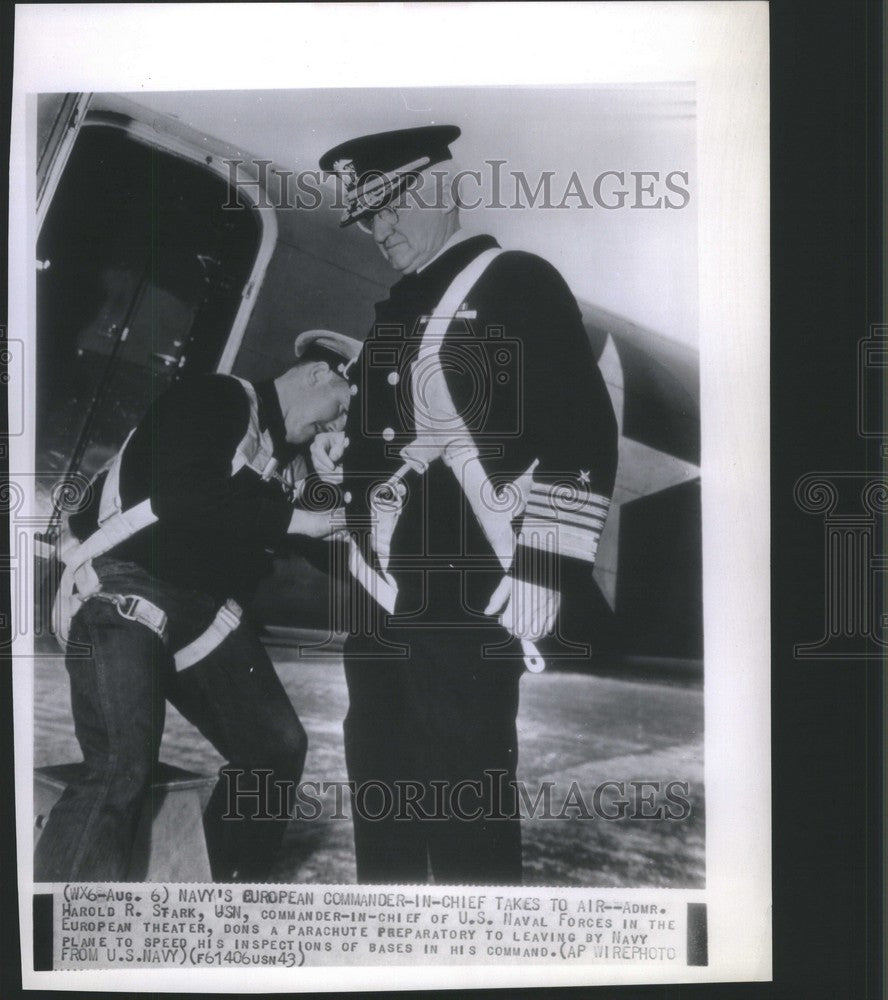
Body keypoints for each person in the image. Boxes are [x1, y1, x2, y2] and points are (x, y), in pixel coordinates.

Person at [315, 126, 618, 883]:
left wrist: (544, 564)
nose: (378, 230)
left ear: (442, 190)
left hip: (466, 601)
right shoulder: (396, 312)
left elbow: (583, 428)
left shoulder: (513, 281)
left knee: (464, 813)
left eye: (389, 207)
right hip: (381, 606)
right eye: (367, 217)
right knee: (381, 798)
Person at [34, 330, 360, 883]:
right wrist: (298, 518)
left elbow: (324, 553)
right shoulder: (216, 399)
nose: (337, 427)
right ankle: (56, 939)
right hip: (124, 588)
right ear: (316, 375)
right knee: (121, 766)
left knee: (275, 749)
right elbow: (181, 492)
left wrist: (331, 487)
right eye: (341, 408)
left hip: (202, 611)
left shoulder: (287, 458)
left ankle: (216, 895)